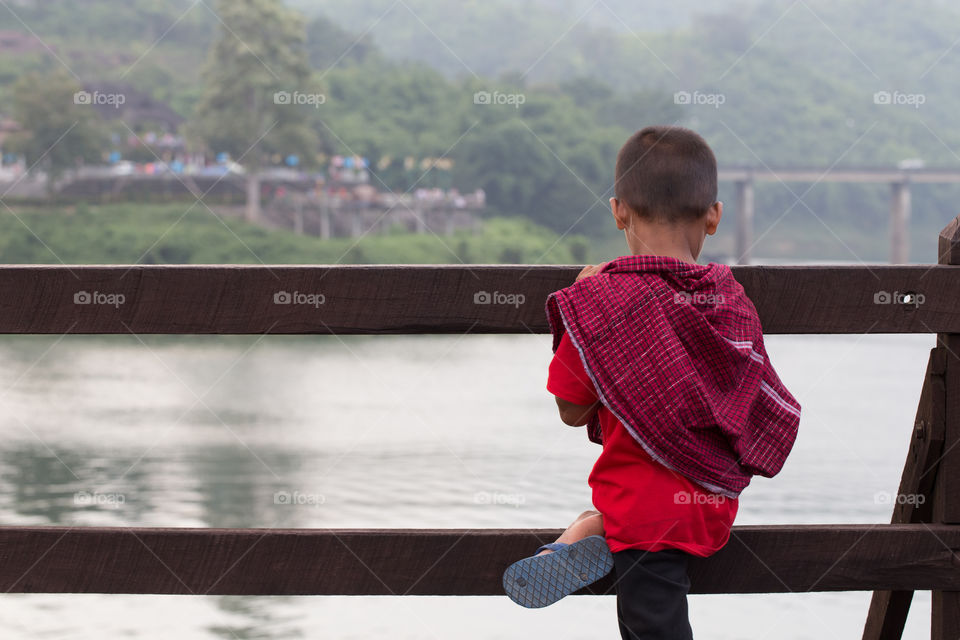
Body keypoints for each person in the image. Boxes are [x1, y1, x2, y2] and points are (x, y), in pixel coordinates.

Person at [502, 126, 802, 639]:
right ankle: (577, 538)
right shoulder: (730, 301)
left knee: (655, 627)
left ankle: (575, 542)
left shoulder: (602, 303)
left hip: (642, 515)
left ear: (618, 210)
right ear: (714, 215)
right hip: (708, 503)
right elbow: (754, 408)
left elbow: (572, 410)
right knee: (613, 525)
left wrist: (584, 323)